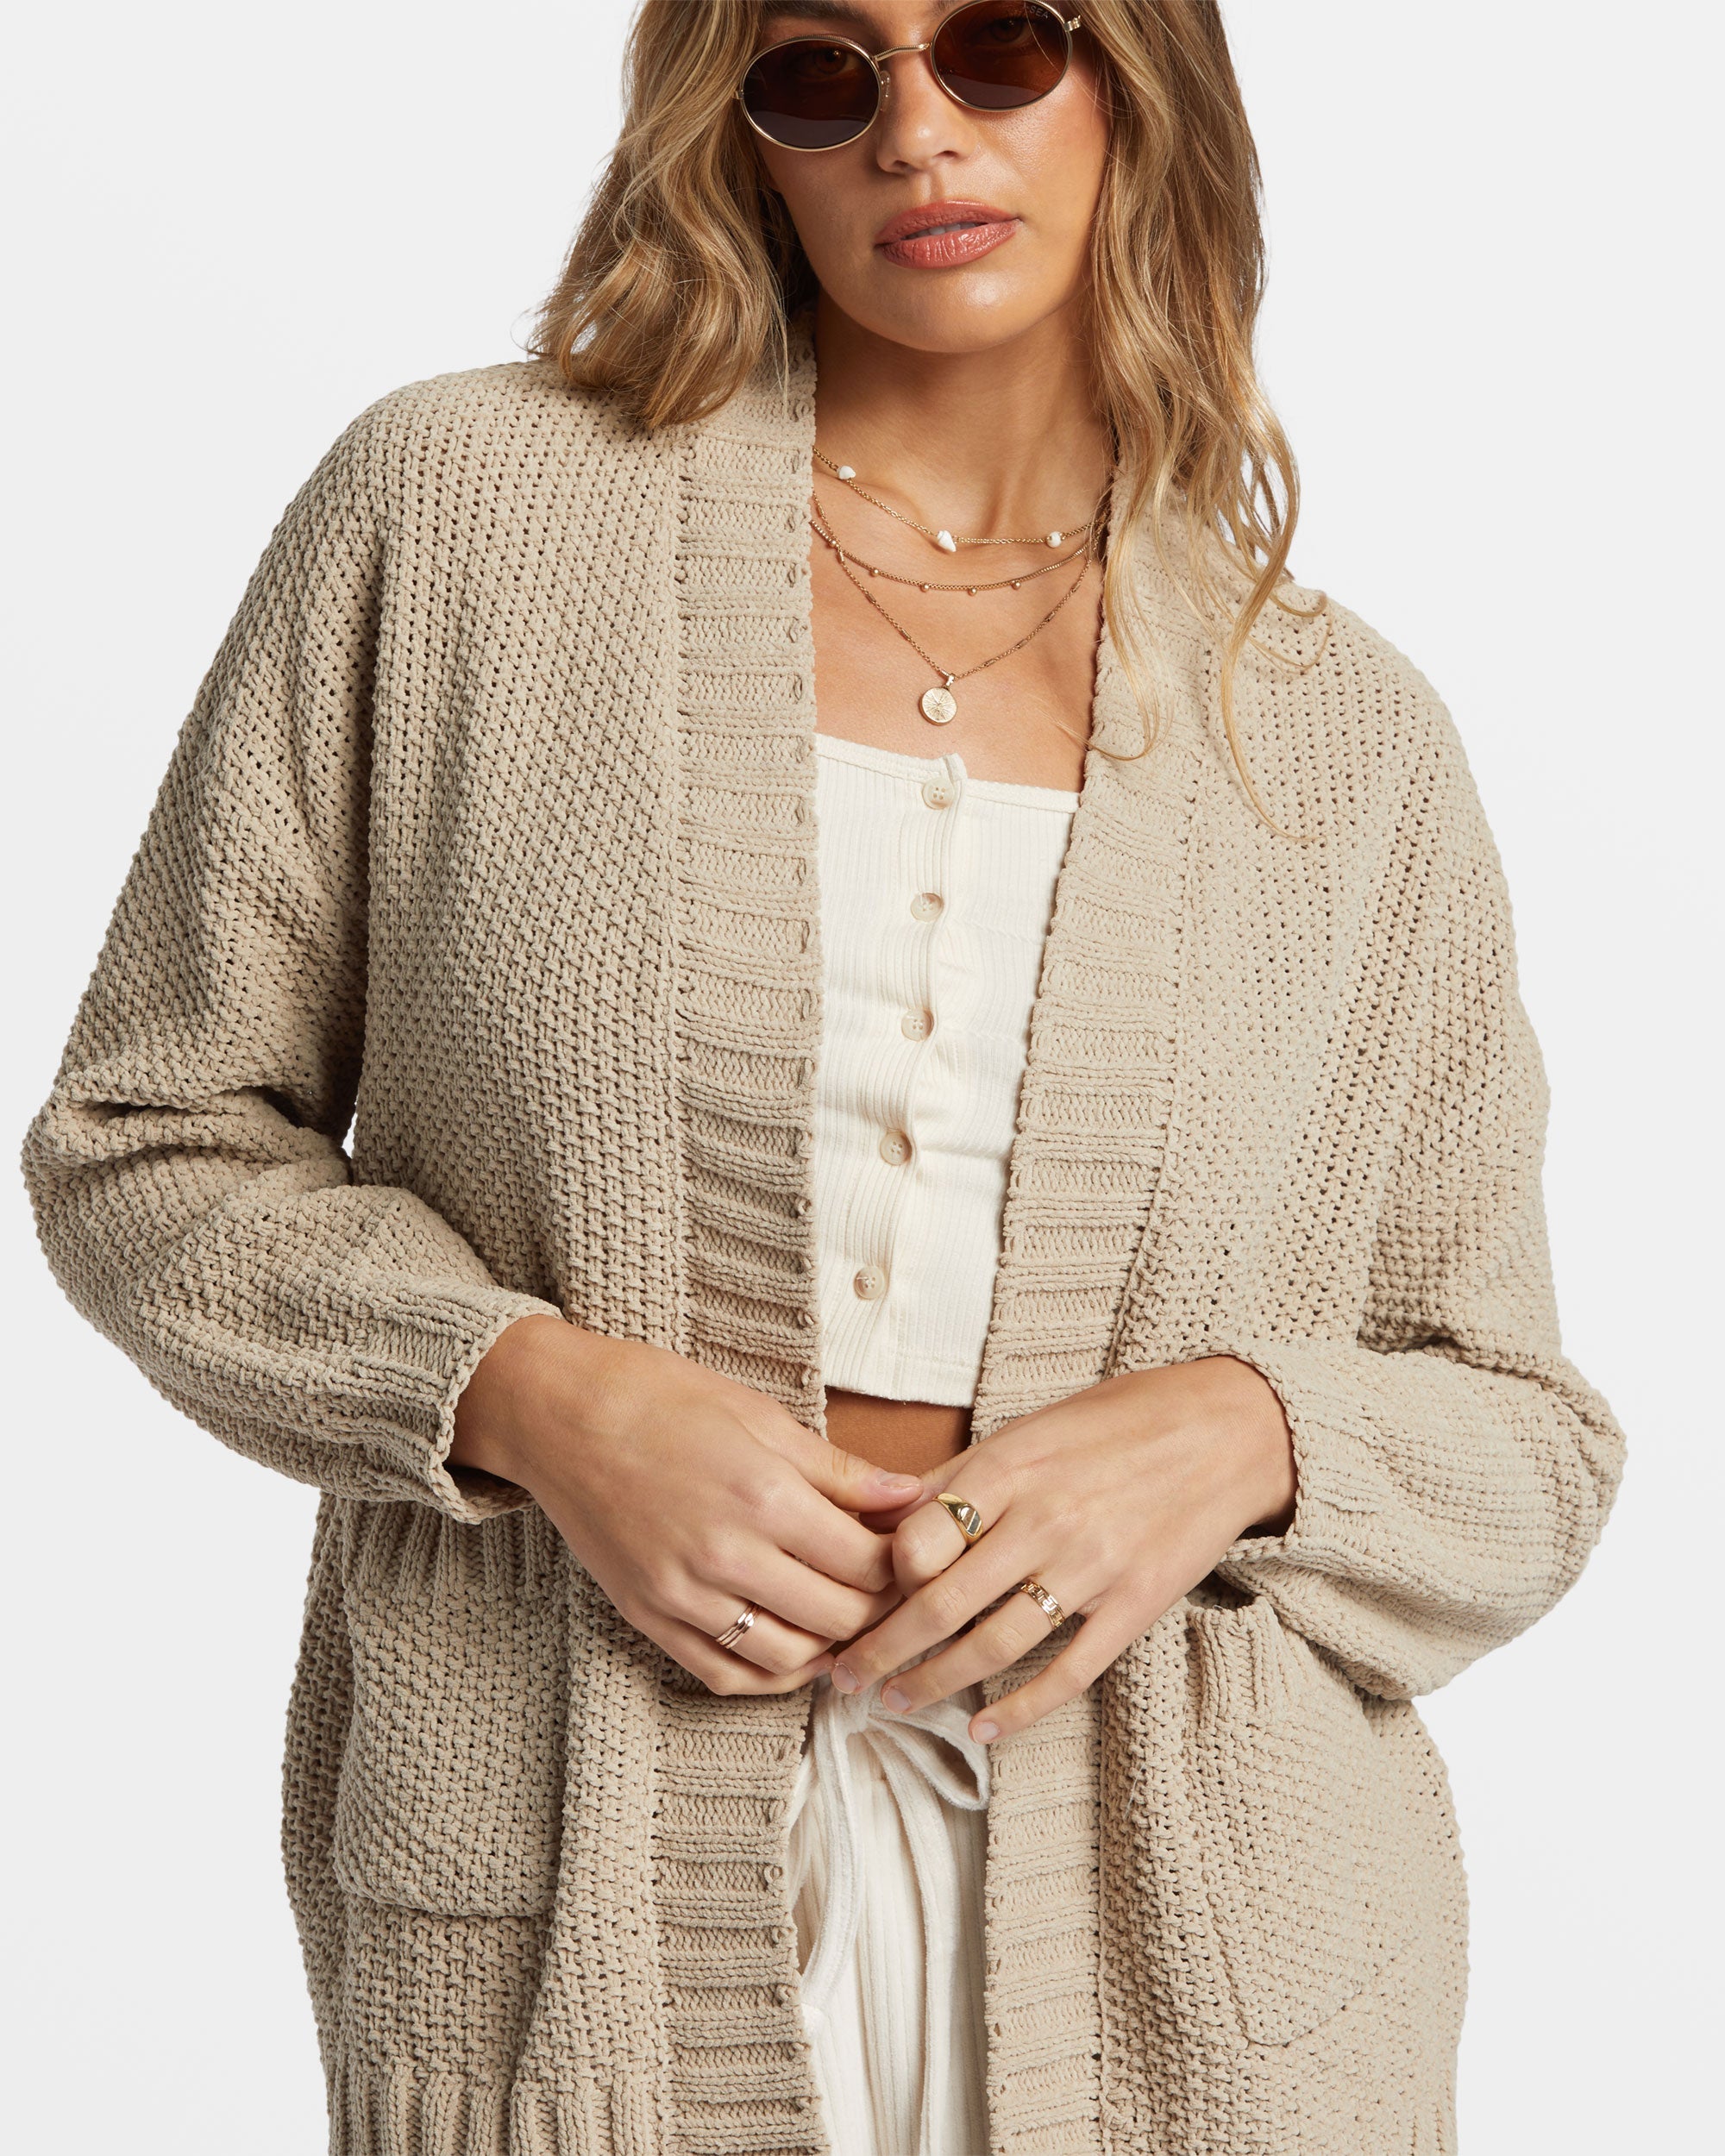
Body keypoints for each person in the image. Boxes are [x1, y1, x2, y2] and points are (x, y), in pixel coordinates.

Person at [22, 3, 1626, 2151]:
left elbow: (1524, 1433)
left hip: (1204, 1967)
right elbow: (143, 1138)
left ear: (1141, 81)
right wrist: (533, 1395)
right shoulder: (466, 515)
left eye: (1001, 47)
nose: (917, 132)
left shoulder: (1341, 735)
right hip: (571, 1894)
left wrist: (1236, 1435)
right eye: (823, 73)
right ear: (739, 128)